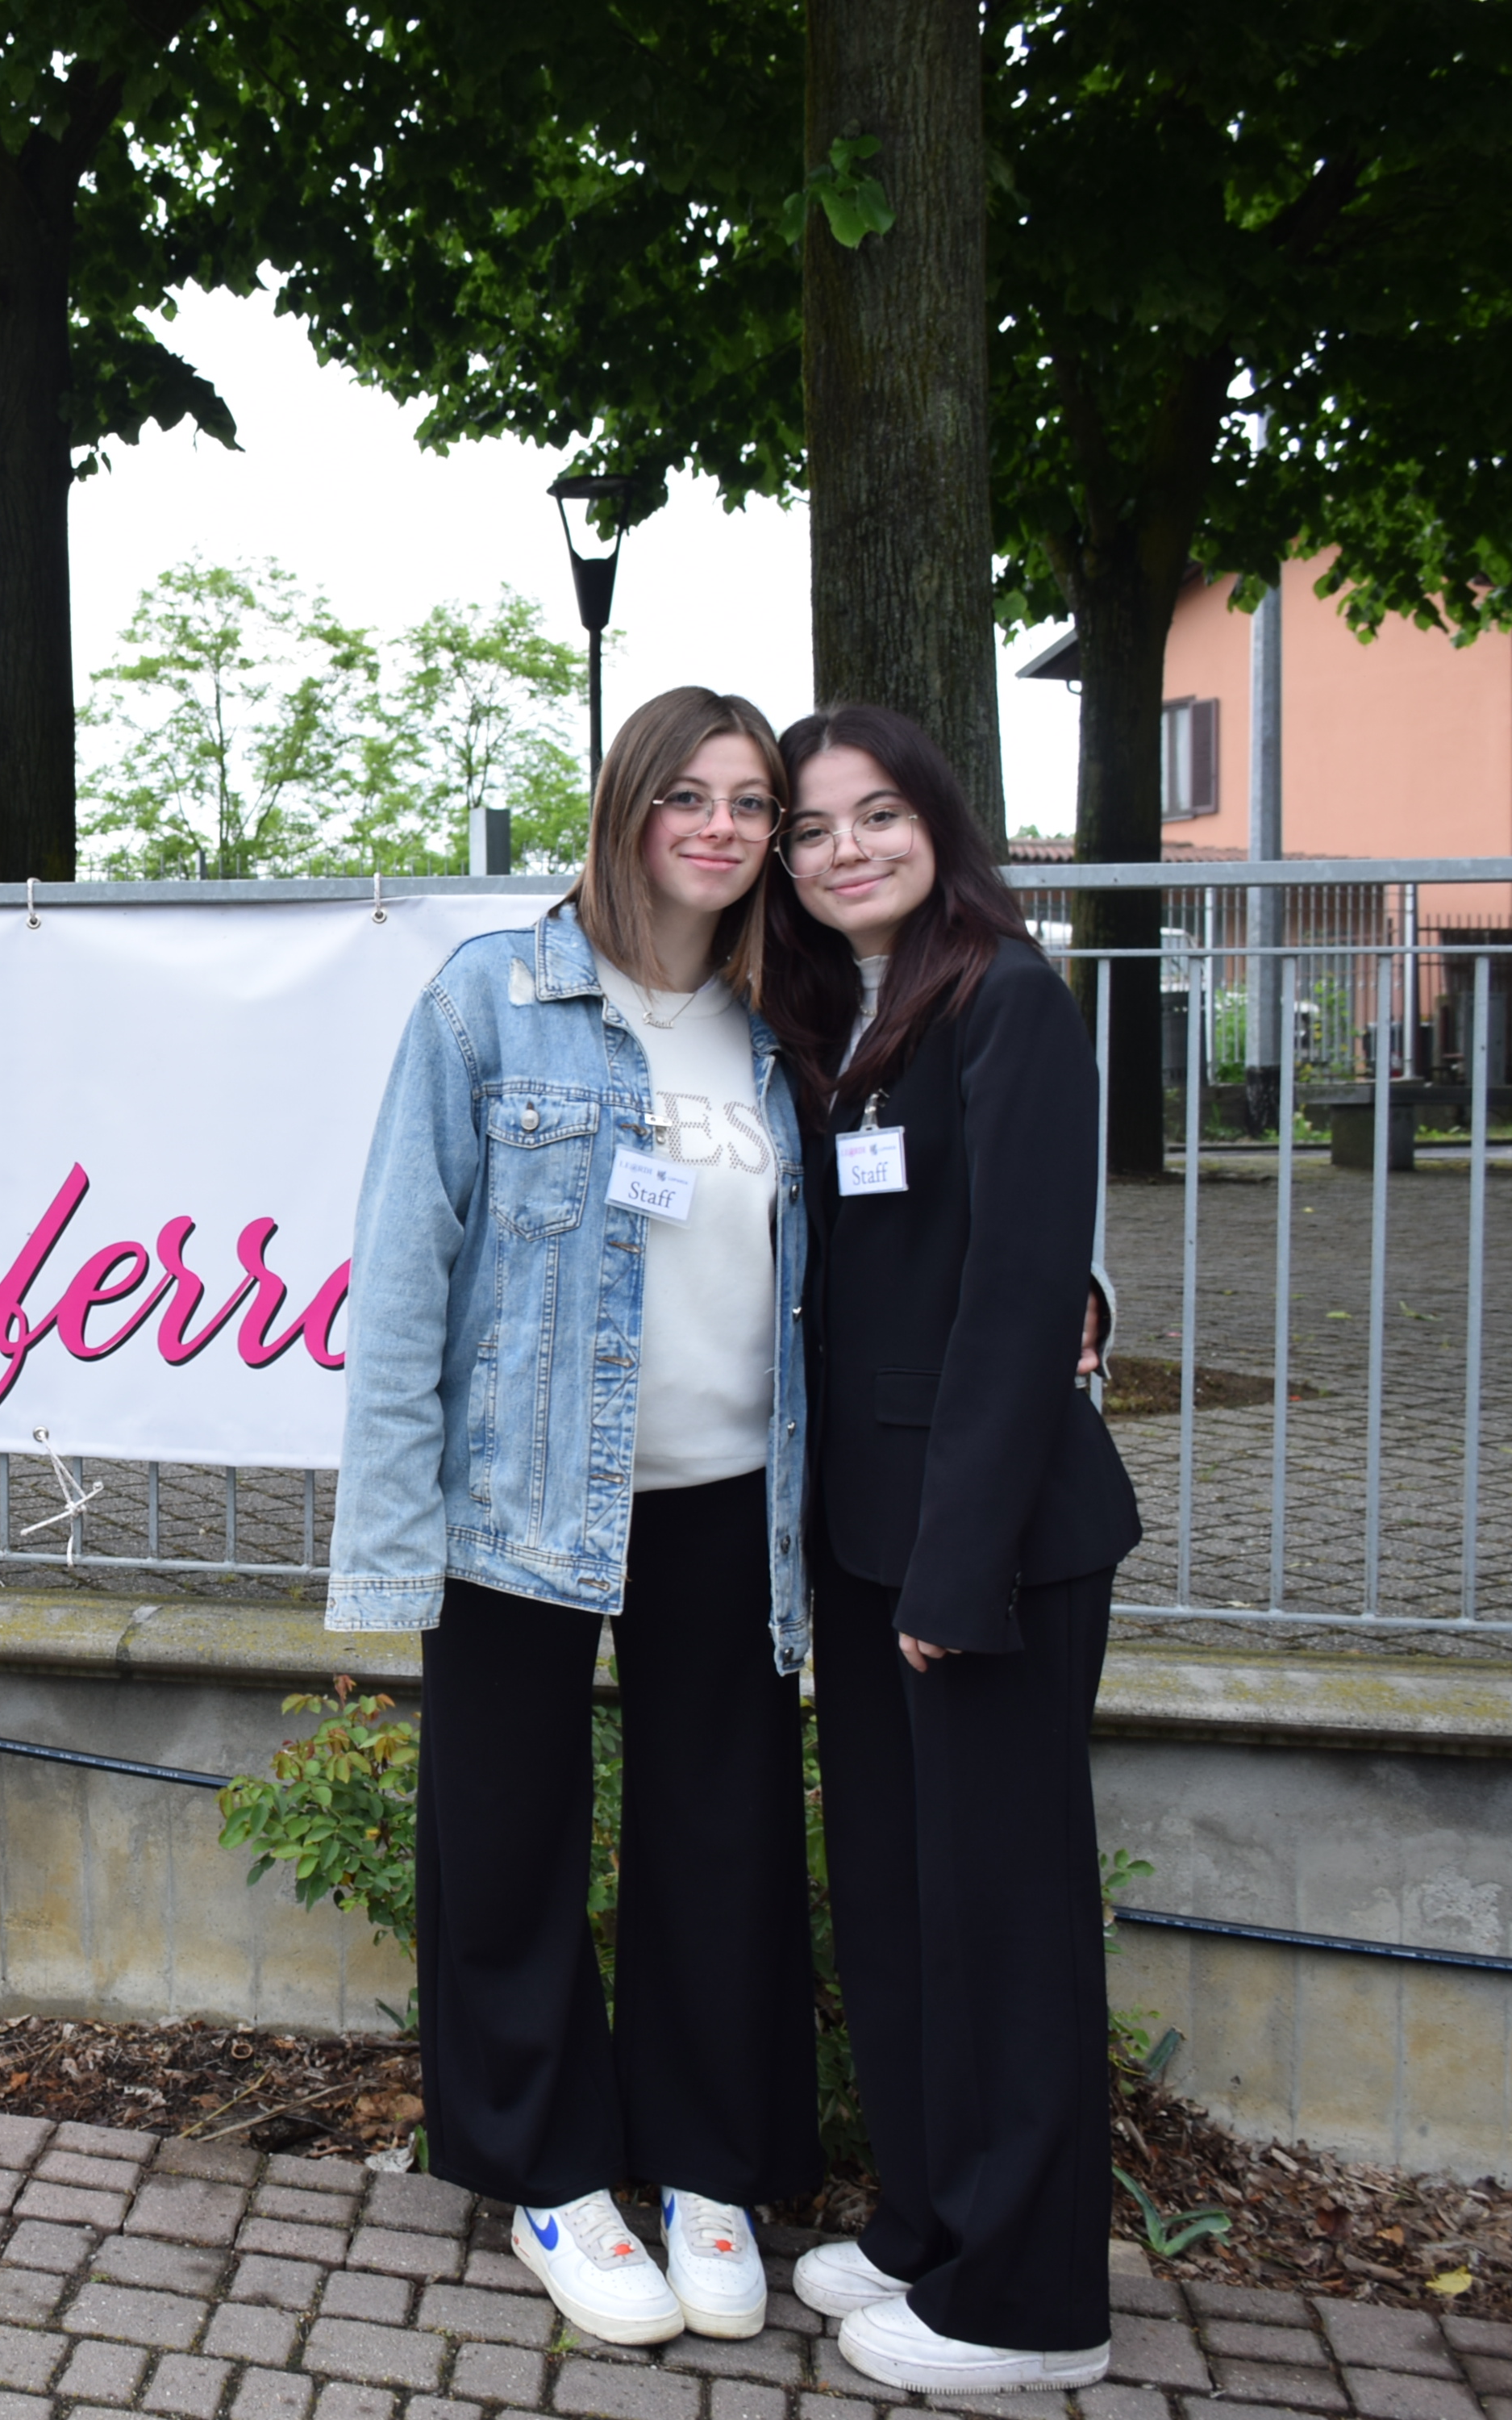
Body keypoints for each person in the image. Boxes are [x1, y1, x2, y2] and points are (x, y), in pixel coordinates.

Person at [331, 686, 822, 2350]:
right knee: (510, 1836)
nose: (721, 828)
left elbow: (935, 1180)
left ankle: (706, 2167)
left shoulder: (788, 1016)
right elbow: (405, 1277)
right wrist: (391, 1545)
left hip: (731, 1500)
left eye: (750, 804)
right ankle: (549, 2173)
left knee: (721, 1836)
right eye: (689, 795)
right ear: (626, 807)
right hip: (519, 1497)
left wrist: (1083, 1288)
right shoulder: (492, 999)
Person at [763, 703, 1142, 2395]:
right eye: (811, 828)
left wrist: (955, 1566)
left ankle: (1030, 2303)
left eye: (876, 815)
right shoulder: (832, 1012)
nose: (844, 849)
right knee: (900, 1906)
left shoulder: (1008, 994)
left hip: (983, 1549)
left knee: (1004, 1921)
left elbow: (1019, 1290)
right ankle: (930, 2224)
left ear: (937, 823)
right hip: (866, 1537)